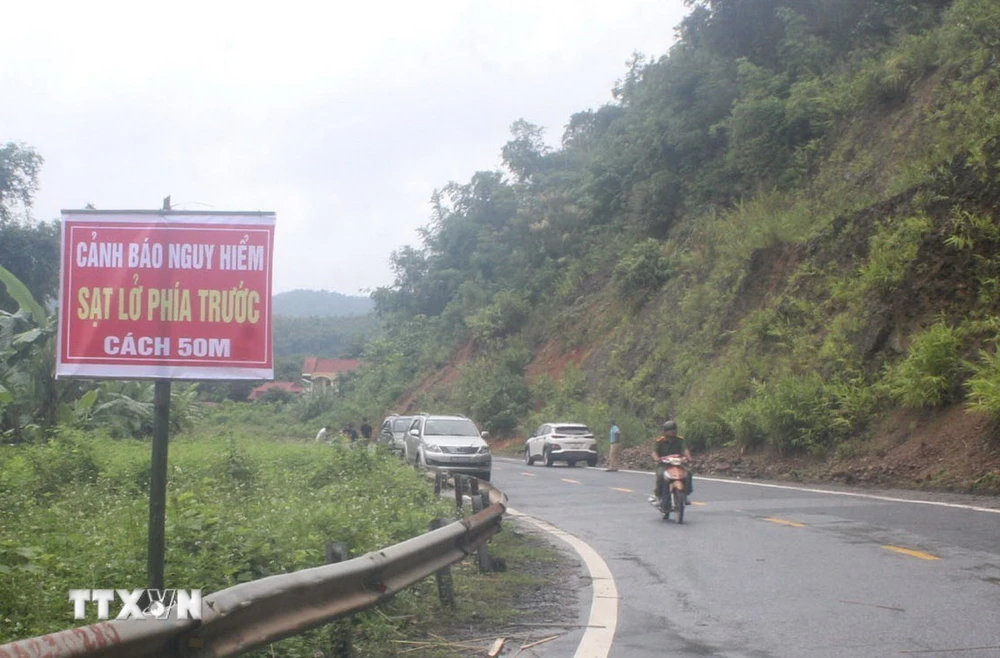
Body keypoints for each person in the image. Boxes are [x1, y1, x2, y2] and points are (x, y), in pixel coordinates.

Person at [650, 420, 693, 505]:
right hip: (664, 464)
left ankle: (685, 494)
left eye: (674, 429)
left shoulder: (680, 439)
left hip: (678, 463)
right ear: (665, 431)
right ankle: (658, 495)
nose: (672, 431)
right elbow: (654, 452)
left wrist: (688, 457)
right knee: (660, 475)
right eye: (670, 430)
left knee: (688, 473)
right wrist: (657, 459)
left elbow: (685, 449)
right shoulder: (659, 441)